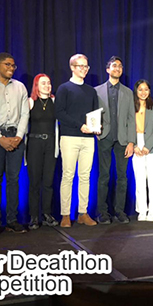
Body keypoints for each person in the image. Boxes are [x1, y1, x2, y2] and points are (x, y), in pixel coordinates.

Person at [0, 53, 29, 236]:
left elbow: (25, 114)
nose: (11, 68)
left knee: (13, 180)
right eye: (7, 64)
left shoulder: (20, 87)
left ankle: (12, 220)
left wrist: (19, 136)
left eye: (13, 65)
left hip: (15, 136)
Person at [55, 54, 99, 228]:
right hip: (69, 137)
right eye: (80, 66)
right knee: (67, 175)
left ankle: (83, 212)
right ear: (72, 67)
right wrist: (79, 125)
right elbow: (59, 112)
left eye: (86, 66)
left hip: (88, 139)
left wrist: (96, 127)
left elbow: (95, 113)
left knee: (85, 176)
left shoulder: (91, 91)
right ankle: (65, 214)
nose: (83, 69)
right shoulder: (64, 88)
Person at [95, 56, 136, 224]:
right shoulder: (97, 91)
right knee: (103, 176)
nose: (117, 68)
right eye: (114, 66)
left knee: (122, 177)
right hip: (104, 137)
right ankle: (102, 212)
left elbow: (131, 118)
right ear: (107, 69)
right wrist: (96, 131)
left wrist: (131, 142)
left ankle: (120, 211)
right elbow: (92, 114)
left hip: (122, 139)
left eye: (120, 66)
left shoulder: (128, 92)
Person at [27, 74, 59, 230]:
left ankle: (47, 214)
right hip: (34, 143)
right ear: (36, 86)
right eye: (43, 83)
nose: (47, 85)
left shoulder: (54, 102)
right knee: (34, 182)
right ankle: (33, 216)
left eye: (49, 83)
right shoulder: (30, 102)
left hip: (50, 143)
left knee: (48, 181)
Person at [132, 79, 153, 222]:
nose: (143, 92)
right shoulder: (130, 106)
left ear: (149, 91)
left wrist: (147, 146)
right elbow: (127, 127)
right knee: (139, 180)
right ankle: (142, 210)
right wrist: (133, 145)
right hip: (136, 144)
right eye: (140, 89)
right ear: (136, 91)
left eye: (146, 89)